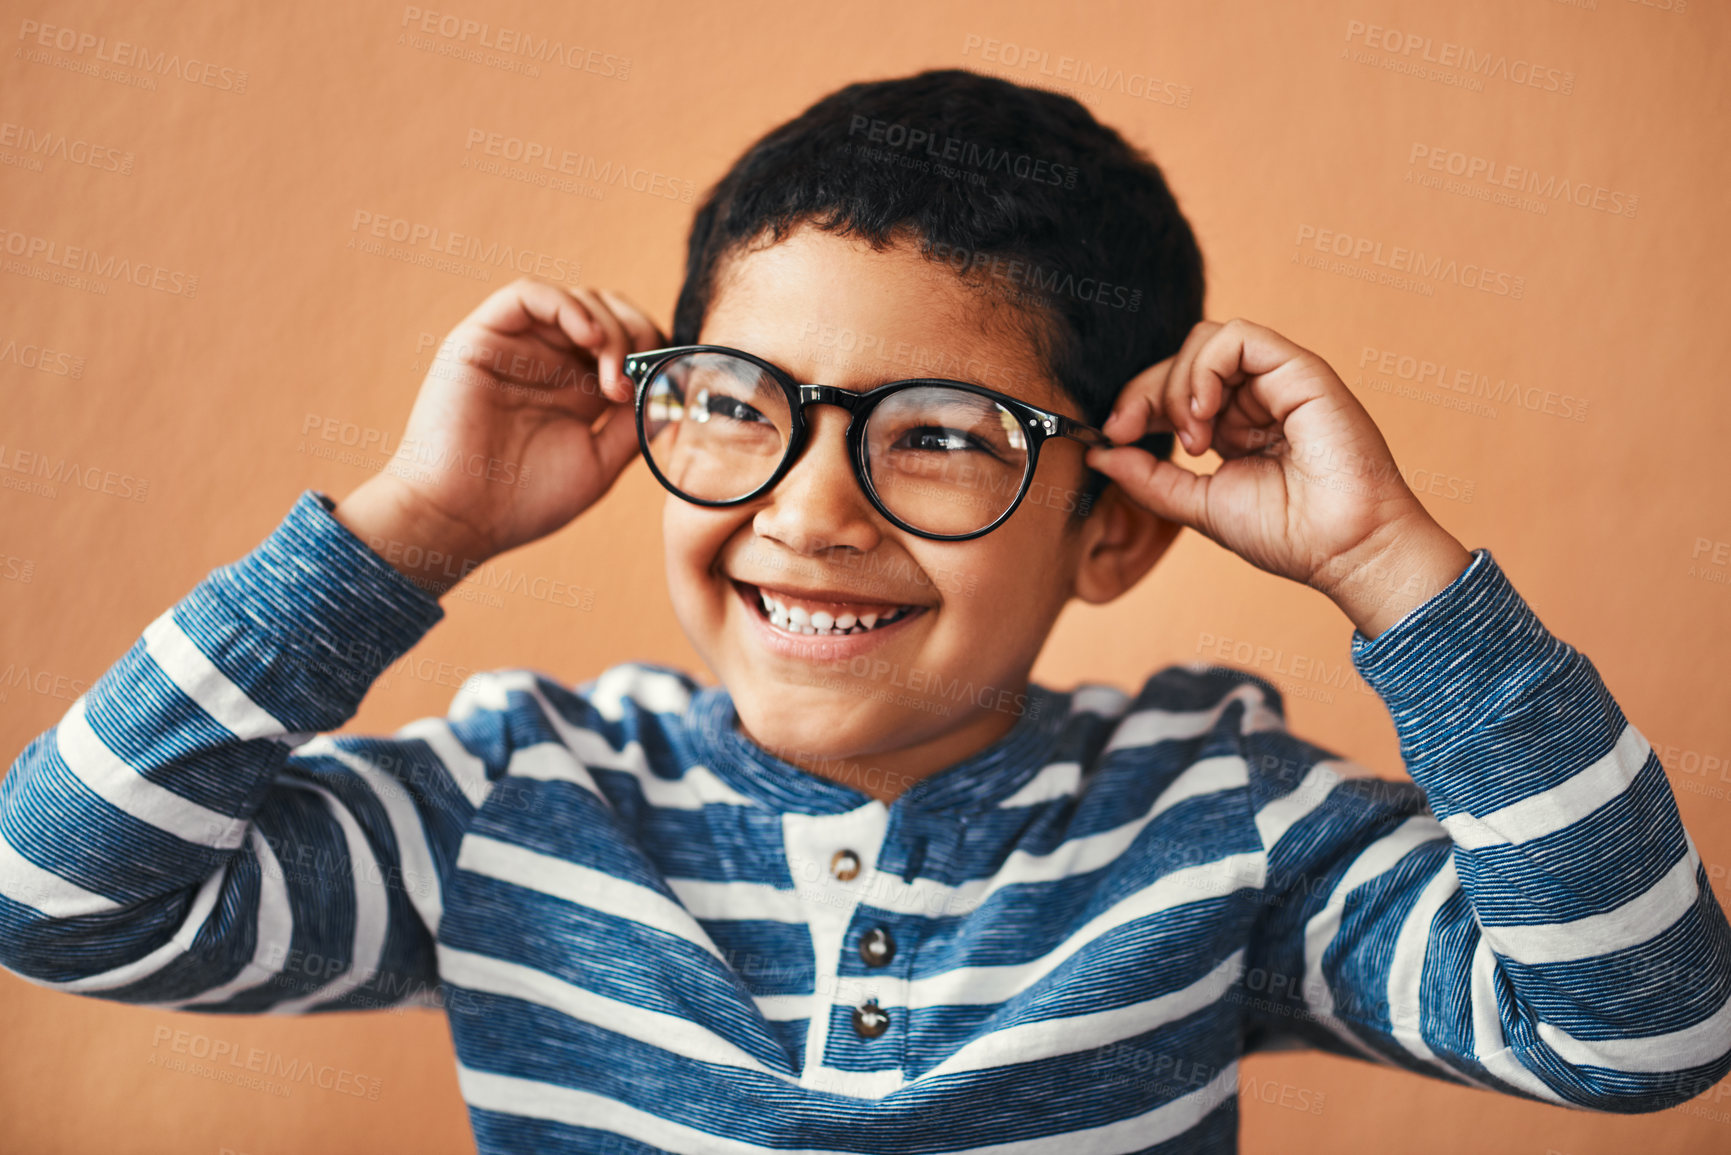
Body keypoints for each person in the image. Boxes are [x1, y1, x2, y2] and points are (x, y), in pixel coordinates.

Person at [2, 68, 1727, 1155]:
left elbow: (1644, 1033)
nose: (810, 511)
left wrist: (1391, 573)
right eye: (743, 403)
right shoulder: (513, 805)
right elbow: (53, 893)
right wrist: (408, 534)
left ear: (1110, 531)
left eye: (945, 439)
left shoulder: (1221, 821)